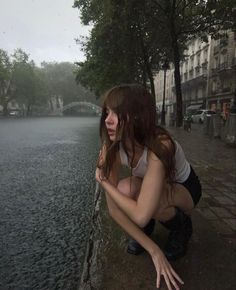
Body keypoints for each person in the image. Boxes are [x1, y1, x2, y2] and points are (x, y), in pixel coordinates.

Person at [95, 84, 202, 290]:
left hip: (184, 188)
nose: (108, 119)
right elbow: (114, 211)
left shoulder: (161, 144)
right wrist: (154, 250)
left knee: (147, 206)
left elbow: (141, 214)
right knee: (124, 191)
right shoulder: (112, 146)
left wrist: (104, 182)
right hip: (155, 186)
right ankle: (148, 230)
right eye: (107, 112)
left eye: (117, 113)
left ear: (137, 116)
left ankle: (182, 227)